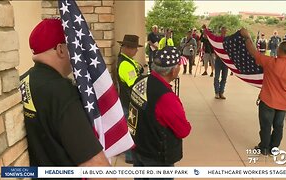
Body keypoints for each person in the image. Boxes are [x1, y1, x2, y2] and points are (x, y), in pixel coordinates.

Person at [20, 19, 111, 172]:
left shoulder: (24, 80)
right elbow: (95, 166)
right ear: (60, 49)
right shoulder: (62, 92)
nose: (77, 54)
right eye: (73, 48)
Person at [128, 46, 191, 179]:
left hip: (138, 148)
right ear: (173, 71)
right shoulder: (166, 97)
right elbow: (183, 130)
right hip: (157, 158)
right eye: (179, 65)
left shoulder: (140, 80)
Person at [241, 28, 286, 155]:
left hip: (267, 101)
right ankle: (274, 149)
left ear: (278, 50)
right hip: (284, 103)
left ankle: (264, 148)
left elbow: (253, 52)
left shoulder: (270, 62)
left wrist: (246, 36)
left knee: (266, 126)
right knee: (278, 127)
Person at [117, 34, 144, 164]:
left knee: (130, 128)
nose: (137, 50)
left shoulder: (128, 61)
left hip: (127, 101)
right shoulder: (125, 65)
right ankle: (130, 156)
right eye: (134, 48)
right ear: (127, 48)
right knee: (131, 129)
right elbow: (134, 84)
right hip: (128, 102)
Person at [213, 26, 228, 99]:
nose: (224, 32)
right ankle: (216, 92)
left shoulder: (228, 40)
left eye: (225, 30)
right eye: (223, 30)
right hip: (218, 60)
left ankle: (221, 92)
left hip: (225, 61)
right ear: (221, 31)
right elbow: (214, 47)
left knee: (224, 78)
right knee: (217, 77)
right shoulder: (218, 39)